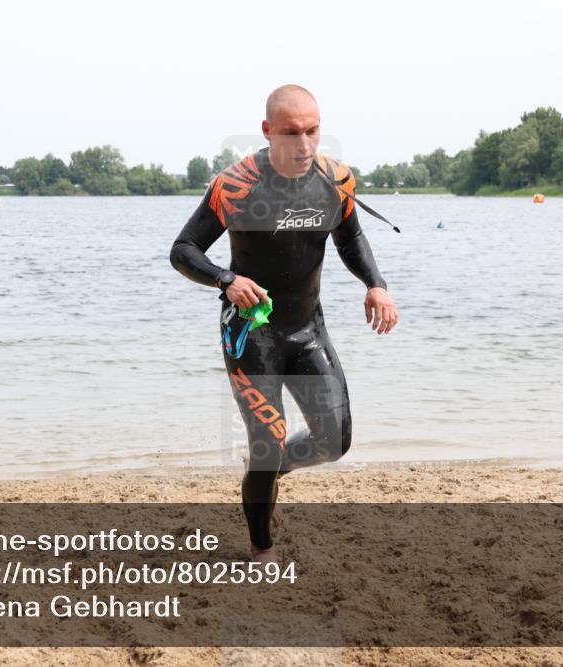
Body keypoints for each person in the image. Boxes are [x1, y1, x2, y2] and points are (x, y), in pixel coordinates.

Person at [170, 84, 399, 563]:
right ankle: (261, 547)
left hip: (307, 329)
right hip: (250, 333)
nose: (305, 144)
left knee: (334, 441)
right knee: (267, 446)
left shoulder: (335, 180)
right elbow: (183, 250)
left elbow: (351, 238)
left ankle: (268, 475)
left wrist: (375, 284)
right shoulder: (235, 185)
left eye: (313, 131)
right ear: (268, 131)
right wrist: (225, 279)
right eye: (292, 133)